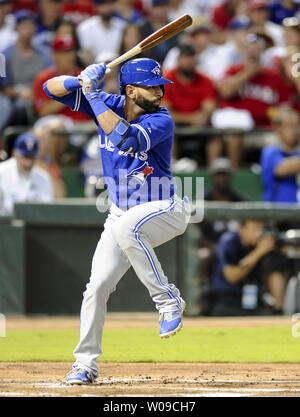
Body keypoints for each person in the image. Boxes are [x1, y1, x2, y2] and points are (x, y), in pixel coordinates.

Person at [43, 57, 191, 384]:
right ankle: (85, 364)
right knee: (96, 288)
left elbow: (126, 138)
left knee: (129, 227)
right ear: (131, 90)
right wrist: (78, 80)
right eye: (151, 87)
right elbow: (48, 89)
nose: (159, 92)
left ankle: (168, 302)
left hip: (164, 207)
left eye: (160, 86)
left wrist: (92, 95)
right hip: (121, 212)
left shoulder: (161, 119)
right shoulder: (108, 101)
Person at [212, 32, 289, 168]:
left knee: (285, 139)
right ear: (243, 50)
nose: (253, 51)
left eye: (256, 48)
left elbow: (283, 107)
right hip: (236, 129)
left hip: (264, 129)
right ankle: (235, 176)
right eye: (249, 48)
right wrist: (248, 73)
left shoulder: (274, 77)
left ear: (262, 51)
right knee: (235, 133)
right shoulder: (234, 70)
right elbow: (225, 91)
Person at [210, 218, 289, 316]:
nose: (259, 234)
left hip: (254, 302)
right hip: (227, 302)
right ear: (242, 229)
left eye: (261, 229)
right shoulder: (229, 241)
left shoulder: (264, 242)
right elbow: (232, 277)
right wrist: (259, 252)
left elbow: (276, 271)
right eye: (254, 229)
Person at [162, 43, 217, 163]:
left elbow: (209, 107)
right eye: (185, 57)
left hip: (199, 124)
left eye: (191, 57)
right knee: (166, 127)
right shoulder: (167, 78)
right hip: (177, 124)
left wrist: (203, 117)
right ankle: (171, 167)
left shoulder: (204, 80)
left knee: (214, 134)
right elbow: (165, 112)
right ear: (178, 59)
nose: (188, 61)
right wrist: (190, 119)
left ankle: (214, 169)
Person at [1, 10, 47, 127]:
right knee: (19, 107)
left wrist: (35, 92)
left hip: (38, 94)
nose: (28, 28)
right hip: (16, 96)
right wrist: (20, 93)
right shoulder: (5, 54)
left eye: (31, 25)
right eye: (24, 25)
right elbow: (4, 88)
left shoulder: (43, 54)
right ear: (16, 28)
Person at [33, 33, 90, 123]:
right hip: (56, 128)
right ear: (54, 55)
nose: (70, 56)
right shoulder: (44, 78)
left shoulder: (85, 75)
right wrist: (69, 92)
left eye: (71, 51)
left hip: (84, 127)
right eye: (64, 52)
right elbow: (43, 112)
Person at [0, 132, 53, 215]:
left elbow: (47, 211)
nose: (28, 163)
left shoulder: (43, 177)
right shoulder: (2, 172)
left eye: (32, 157)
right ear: (14, 154)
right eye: (25, 157)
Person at [260, 108, 300, 203]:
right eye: (289, 127)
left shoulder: (298, 154)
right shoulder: (271, 152)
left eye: (296, 127)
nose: (294, 131)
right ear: (278, 129)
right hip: (277, 213)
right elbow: (281, 169)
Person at [76, 0, 126, 66]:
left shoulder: (122, 26)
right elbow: (87, 57)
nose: (107, 8)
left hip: (117, 68)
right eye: (104, 5)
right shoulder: (85, 27)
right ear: (96, 7)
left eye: (110, 4)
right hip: (95, 69)